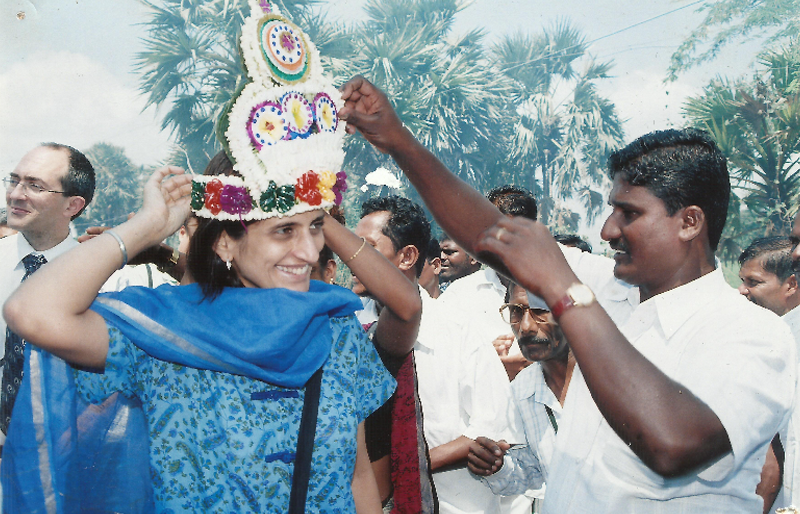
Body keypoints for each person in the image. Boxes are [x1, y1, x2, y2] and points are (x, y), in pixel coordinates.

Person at [1, 5, 413, 511]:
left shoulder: (335, 330)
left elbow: (358, 477)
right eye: (284, 231)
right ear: (224, 243)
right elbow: (29, 312)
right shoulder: (160, 332)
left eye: (315, 228)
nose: (309, 252)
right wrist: (149, 225)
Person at [338, 76, 795, 512]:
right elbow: (489, 234)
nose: (607, 230)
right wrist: (397, 140)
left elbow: (673, 445)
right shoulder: (610, 289)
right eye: (611, 210)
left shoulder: (753, 334)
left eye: (629, 213)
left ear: (689, 222)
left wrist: (564, 289)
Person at [0, 142, 95, 444]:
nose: (16, 194)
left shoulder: (100, 277)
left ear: (73, 206)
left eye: (35, 186)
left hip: (64, 453)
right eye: (13, 180)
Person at [467, 284, 574, 509]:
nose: (525, 327)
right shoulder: (521, 390)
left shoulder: (608, 378)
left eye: (540, 311)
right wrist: (497, 467)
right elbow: (532, 473)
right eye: (516, 311)